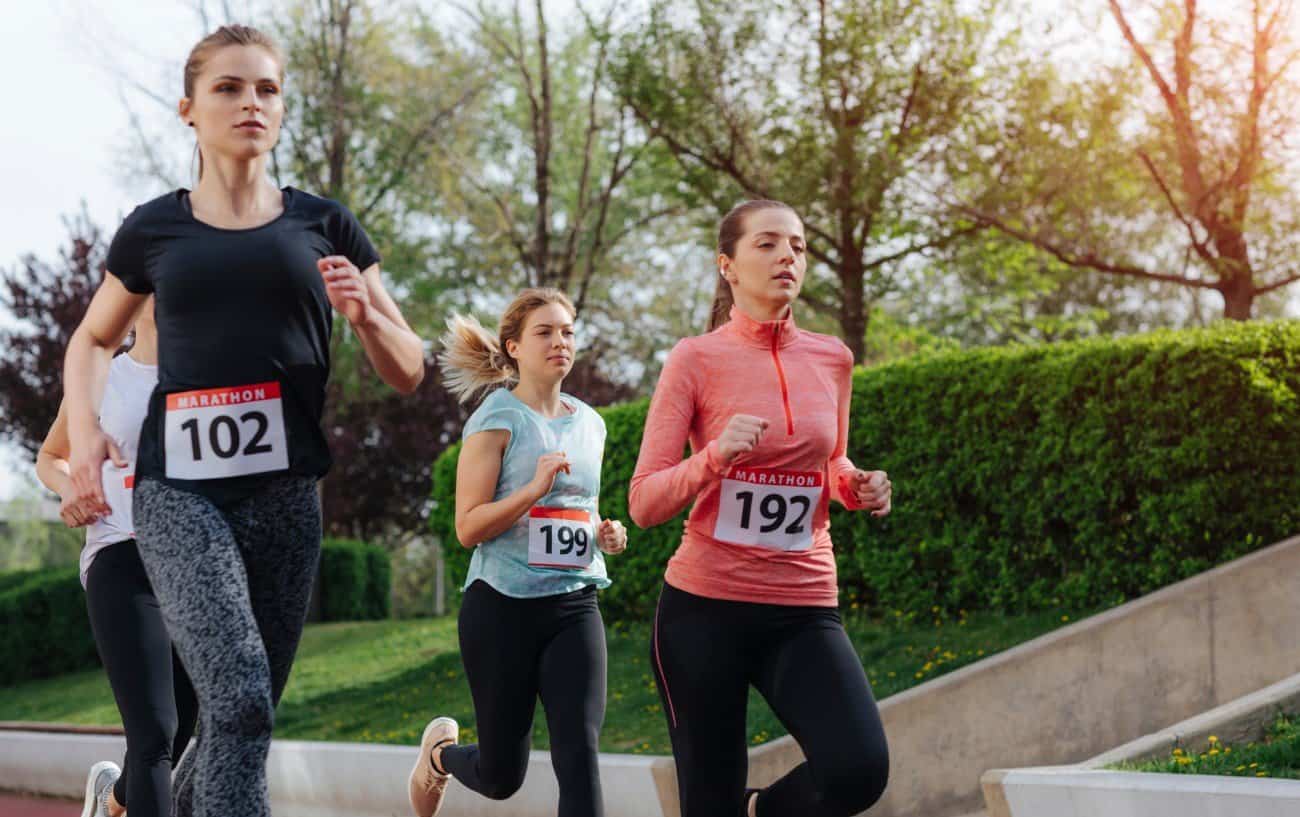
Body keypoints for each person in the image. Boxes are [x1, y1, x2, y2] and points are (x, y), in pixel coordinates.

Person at [61, 24, 424, 817]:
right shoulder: (157, 228)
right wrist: (86, 442)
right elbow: (91, 338)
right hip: (178, 495)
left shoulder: (325, 224)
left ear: (283, 110)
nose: (250, 102)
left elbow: (410, 367)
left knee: (241, 718)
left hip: (287, 497)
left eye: (266, 89)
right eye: (229, 87)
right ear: (189, 110)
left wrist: (364, 316)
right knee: (239, 698)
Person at [629, 200, 893, 817]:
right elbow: (643, 502)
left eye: (798, 246)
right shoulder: (695, 359)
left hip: (802, 610)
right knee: (708, 803)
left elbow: (832, 464)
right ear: (728, 266)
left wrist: (858, 487)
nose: (788, 258)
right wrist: (715, 456)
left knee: (858, 769)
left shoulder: (833, 358)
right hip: (704, 612)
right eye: (769, 244)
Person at [408, 288, 627, 817]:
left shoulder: (590, 424)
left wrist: (606, 533)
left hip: (574, 605)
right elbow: (467, 527)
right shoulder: (495, 418)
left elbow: (581, 510)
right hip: (501, 609)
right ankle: (441, 757)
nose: (560, 342)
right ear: (513, 348)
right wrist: (531, 489)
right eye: (545, 332)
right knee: (501, 776)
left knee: (580, 752)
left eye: (568, 331)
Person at [37, 299, 198, 817]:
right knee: (154, 733)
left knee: (183, 724)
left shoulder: (208, 381)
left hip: (192, 563)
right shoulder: (100, 379)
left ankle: (115, 798)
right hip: (120, 555)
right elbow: (50, 456)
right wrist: (69, 489)